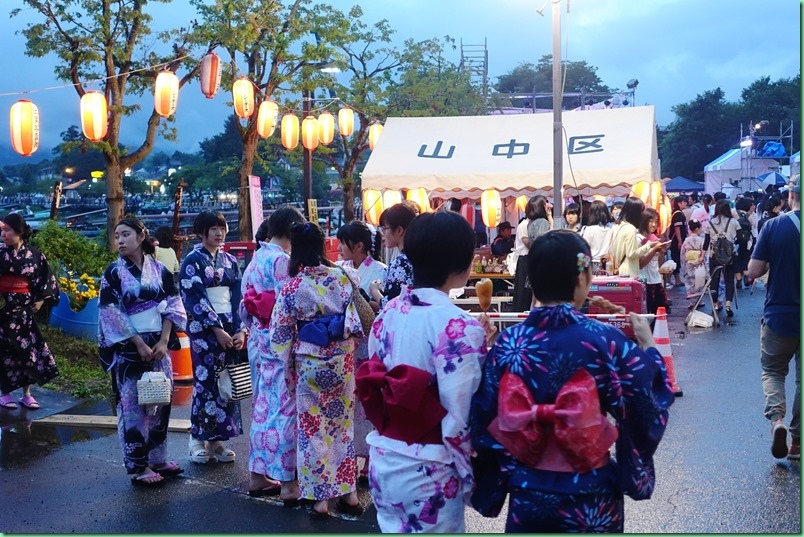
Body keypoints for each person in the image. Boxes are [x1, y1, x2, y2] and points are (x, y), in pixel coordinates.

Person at [470, 230, 675, 532]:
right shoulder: (606, 340)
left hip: (528, 490)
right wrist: (649, 349)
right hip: (590, 492)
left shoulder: (509, 342)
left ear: (532, 280)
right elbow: (644, 406)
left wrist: (503, 470)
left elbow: (483, 418)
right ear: (582, 279)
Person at [358, 211, 492, 532]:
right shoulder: (458, 325)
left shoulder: (389, 312)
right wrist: (474, 483)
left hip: (385, 457)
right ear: (462, 263)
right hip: (430, 468)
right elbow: (458, 421)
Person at [269, 221, 363, 518]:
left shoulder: (293, 286)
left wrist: (286, 365)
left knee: (313, 430)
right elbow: (356, 318)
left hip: (310, 361)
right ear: (323, 246)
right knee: (341, 428)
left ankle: (321, 500)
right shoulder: (343, 278)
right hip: (341, 361)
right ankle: (349, 494)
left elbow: (281, 334)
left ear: (296, 249)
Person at [97, 216, 187, 486]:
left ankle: (158, 458)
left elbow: (173, 302)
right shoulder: (113, 272)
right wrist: (138, 343)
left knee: (160, 401)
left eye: (125, 234)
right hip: (130, 347)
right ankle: (138, 466)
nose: (120, 240)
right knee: (133, 407)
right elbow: (110, 312)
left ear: (141, 236)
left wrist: (163, 340)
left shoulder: (159, 269)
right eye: (117, 236)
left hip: (158, 344)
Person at [240, 206, 306, 500]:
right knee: (286, 410)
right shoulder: (280, 260)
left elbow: (245, 305)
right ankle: (289, 484)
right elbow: (291, 302)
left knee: (263, 407)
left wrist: (257, 328)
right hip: (282, 344)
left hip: (259, 341)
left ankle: (257, 476)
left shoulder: (256, 259)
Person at [179, 211, 246, 464]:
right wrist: (216, 329)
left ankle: (217, 440)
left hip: (229, 325)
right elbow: (193, 296)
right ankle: (197, 439)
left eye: (222, 228)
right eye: (213, 228)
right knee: (205, 384)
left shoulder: (230, 261)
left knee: (226, 384)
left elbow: (239, 296)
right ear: (201, 233)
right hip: (204, 332)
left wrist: (240, 329)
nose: (219, 233)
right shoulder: (192, 261)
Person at [748, 174, 801, 460]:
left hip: (779, 313)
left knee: (773, 371)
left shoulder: (773, 226)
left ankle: (777, 421)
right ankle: (797, 443)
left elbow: (753, 271)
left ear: (790, 195)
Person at [336, 220, 387, 478]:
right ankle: (350, 455)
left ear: (358, 246)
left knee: (368, 401)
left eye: (342, 243)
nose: (338, 247)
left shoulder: (381, 271)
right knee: (348, 402)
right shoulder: (337, 268)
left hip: (368, 343)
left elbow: (385, 308)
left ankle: (369, 457)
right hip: (346, 345)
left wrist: (369, 303)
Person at [0, 213, 60, 411]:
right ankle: (5, 393)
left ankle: (26, 394)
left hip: (24, 313)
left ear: (19, 232)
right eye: (2, 230)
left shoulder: (35, 255)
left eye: (7, 230)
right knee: (5, 352)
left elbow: (45, 279)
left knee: (28, 352)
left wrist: (41, 299)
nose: (3, 234)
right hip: (3, 311)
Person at [369, 201, 418, 311]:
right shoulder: (420, 256)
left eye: (385, 228)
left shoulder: (401, 263)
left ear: (399, 230)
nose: (382, 233)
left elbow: (392, 307)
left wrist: (375, 290)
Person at [513, 195, 552, 312]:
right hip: (535, 260)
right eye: (546, 204)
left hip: (531, 260)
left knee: (532, 295)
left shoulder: (530, 223)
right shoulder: (541, 223)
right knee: (537, 295)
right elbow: (548, 238)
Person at [703, 199, 739, 318]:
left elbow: (706, 241)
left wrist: (702, 255)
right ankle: (728, 305)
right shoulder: (734, 222)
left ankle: (715, 305)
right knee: (729, 280)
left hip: (714, 255)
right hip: (730, 255)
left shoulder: (710, 222)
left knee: (714, 281)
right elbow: (738, 239)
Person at [609, 197, 657, 278]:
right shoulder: (631, 229)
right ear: (636, 213)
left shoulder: (616, 226)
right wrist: (648, 246)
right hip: (629, 272)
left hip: (618, 270)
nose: (643, 214)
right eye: (641, 211)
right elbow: (631, 254)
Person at [637, 208, 669, 315]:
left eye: (656, 221)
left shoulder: (655, 238)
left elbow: (658, 263)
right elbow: (641, 264)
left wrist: (661, 252)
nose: (654, 224)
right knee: (649, 314)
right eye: (651, 221)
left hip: (656, 280)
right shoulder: (638, 238)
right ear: (644, 221)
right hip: (645, 282)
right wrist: (654, 249)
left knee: (660, 313)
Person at [580, 200, 614, 272]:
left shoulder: (588, 229)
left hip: (591, 264)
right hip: (606, 264)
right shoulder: (610, 230)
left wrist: (580, 269)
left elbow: (584, 250)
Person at [680, 219, 706, 308]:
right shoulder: (701, 240)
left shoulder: (687, 240)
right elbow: (704, 251)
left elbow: (683, 253)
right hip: (699, 261)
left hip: (689, 263)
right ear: (698, 228)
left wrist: (683, 263)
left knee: (690, 281)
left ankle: (692, 302)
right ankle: (700, 301)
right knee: (699, 281)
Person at [668, 194, 689, 288]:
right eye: (684, 202)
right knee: (676, 259)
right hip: (677, 241)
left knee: (676, 259)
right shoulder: (678, 214)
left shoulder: (677, 213)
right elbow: (677, 228)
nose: (685, 203)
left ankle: (674, 279)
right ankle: (677, 280)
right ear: (679, 203)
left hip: (677, 240)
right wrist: (680, 241)